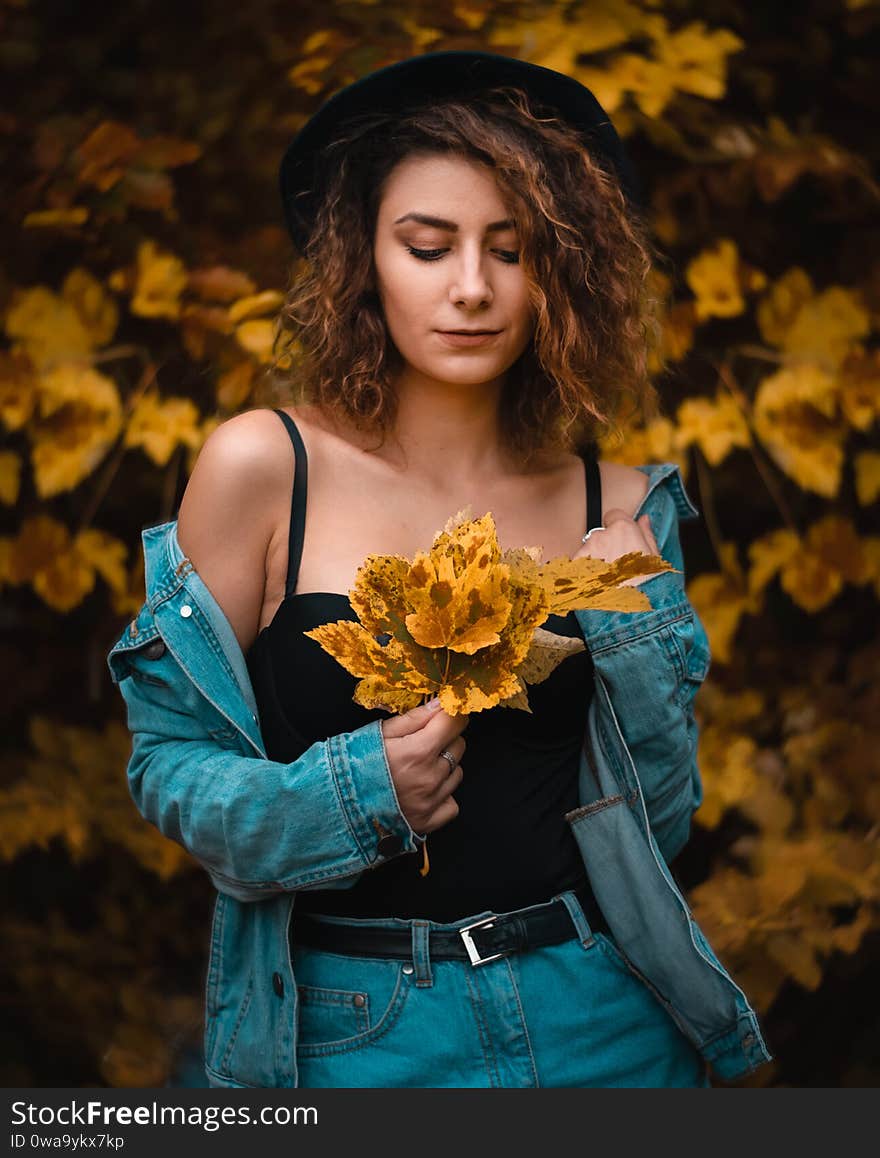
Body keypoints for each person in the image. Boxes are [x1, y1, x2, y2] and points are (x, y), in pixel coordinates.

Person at [106, 51, 773, 1088]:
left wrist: (636, 631)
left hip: (602, 1019)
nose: (470, 287)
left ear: (560, 273)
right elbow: (167, 768)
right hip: (355, 1033)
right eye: (427, 246)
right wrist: (357, 794)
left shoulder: (622, 505)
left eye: (511, 251)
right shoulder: (263, 468)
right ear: (363, 259)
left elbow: (663, 821)